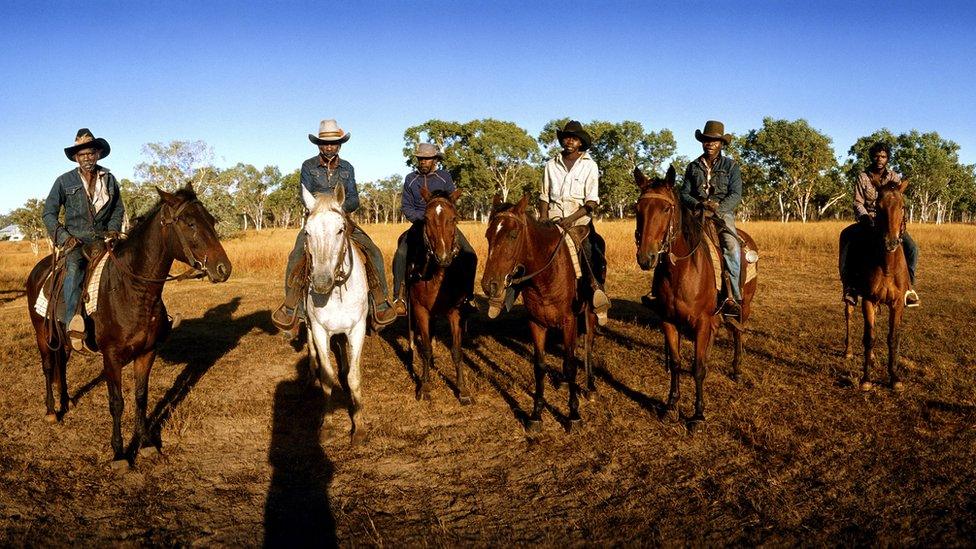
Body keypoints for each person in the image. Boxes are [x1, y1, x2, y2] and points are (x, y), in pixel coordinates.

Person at [272, 119, 397, 339]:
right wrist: (322, 208)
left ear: (340, 144)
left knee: (373, 251)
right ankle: (292, 310)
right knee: (296, 257)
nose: (329, 147)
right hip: (317, 220)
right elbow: (305, 196)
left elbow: (354, 198)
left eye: (334, 143)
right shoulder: (308, 166)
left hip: (342, 220)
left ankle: (380, 303)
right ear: (318, 144)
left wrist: (338, 208)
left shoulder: (347, 167)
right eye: (324, 143)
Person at [42, 128, 125, 351]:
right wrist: (64, 237)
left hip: (105, 239)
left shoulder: (109, 178)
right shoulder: (63, 181)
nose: (87, 158)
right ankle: (74, 324)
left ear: (98, 153)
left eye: (91, 153)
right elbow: (48, 213)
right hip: (76, 241)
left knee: (130, 264)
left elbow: (118, 208)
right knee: (75, 268)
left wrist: (114, 229)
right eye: (82, 154)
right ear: (76, 157)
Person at [391, 143, 477, 316]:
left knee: (470, 254)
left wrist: (443, 217)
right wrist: (423, 219)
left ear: (435, 160)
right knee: (400, 254)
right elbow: (406, 206)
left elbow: (452, 200)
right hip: (419, 224)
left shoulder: (444, 177)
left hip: (444, 225)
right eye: (421, 159)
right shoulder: (410, 179)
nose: (423, 162)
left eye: (427, 158)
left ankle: (468, 296)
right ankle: (398, 298)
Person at [539, 120, 610, 326]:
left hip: (579, 220)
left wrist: (570, 220)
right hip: (552, 219)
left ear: (580, 143)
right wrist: (543, 219)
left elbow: (591, 201)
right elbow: (544, 196)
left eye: (574, 138)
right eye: (566, 137)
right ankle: (508, 291)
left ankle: (596, 292)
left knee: (590, 250)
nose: (569, 141)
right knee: (529, 249)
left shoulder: (589, 165)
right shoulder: (550, 165)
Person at [677, 120, 743, 317]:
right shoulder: (692, 166)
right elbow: (684, 194)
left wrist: (719, 209)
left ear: (721, 144)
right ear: (702, 142)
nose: (710, 144)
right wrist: (698, 204)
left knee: (731, 246)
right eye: (706, 140)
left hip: (722, 215)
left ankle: (733, 297)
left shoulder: (731, 167)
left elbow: (736, 194)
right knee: (672, 242)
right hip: (696, 213)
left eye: (714, 141)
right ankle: (660, 292)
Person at [842, 141, 920, 307]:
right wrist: (864, 217)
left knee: (912, 248)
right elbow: (857, 202)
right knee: (849, 241)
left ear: (887, 159)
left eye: (883, 156)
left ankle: (908, 288)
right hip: (868, 220)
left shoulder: (893, 177)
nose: (880, 159)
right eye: (877, 156)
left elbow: (898, 201)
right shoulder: (863, 177)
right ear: (871, 157)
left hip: (890, 222)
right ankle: (851, 287)